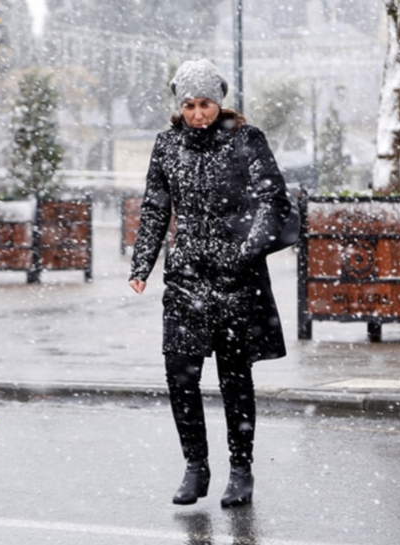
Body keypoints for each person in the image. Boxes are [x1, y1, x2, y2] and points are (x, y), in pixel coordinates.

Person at [128, 58, 294, 508]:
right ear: (179, 106)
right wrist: (141, 265)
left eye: (205, 104)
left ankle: (241, 471)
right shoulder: (167, 145)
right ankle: (195, 467)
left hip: (235, 281)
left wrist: (244, 251)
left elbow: (273, 201)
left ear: (219, 103)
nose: (197, 113)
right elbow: (155, 208)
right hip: (184, 278)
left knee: (234, 379)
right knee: (180, 375)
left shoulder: (245, 140)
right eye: (189, 105)